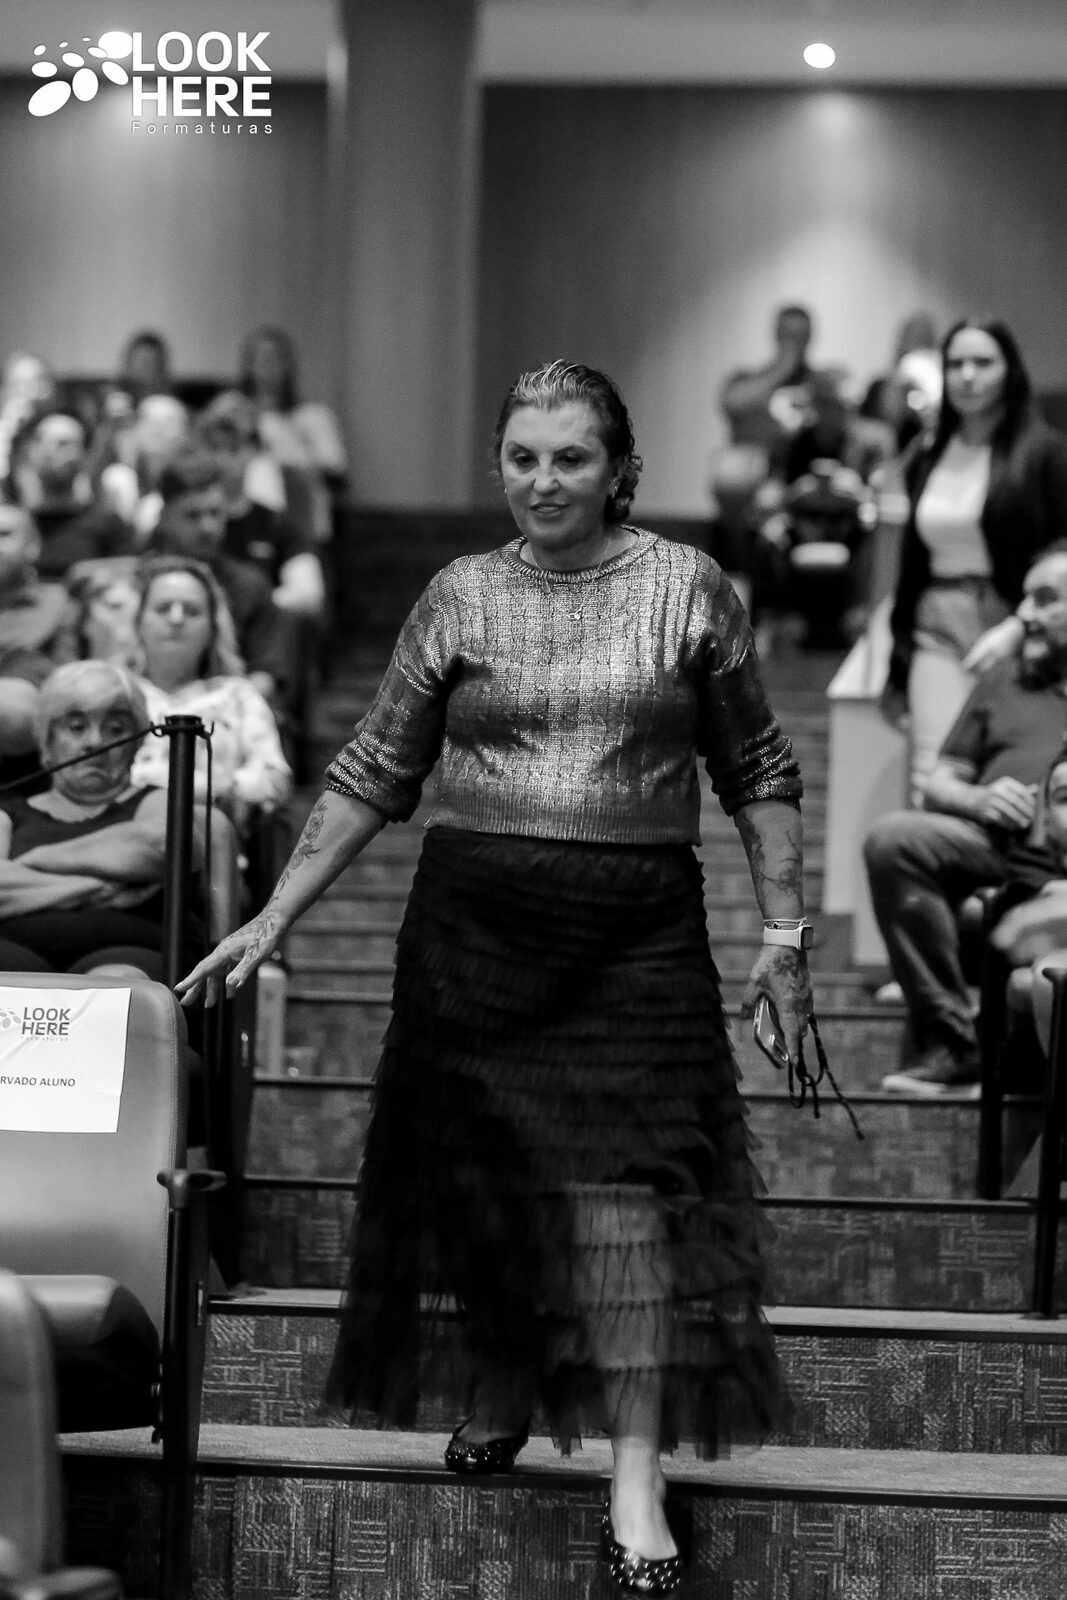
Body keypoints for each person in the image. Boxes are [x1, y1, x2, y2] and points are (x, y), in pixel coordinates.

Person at [178, 361, 810, 1594]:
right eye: (522, 457)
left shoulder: (688, 585)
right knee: (488, 1185)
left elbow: (757, 769)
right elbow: (373, 767)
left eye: (569, 457)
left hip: (634, 939)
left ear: (620, 469)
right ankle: (510, 1377)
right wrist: (272, 912)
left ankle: (634, 1476)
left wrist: (782, 936)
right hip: (471, 935)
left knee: (629, 1203)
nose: (542, 480)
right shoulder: (458, 592)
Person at [865, 543, 1067, 1096]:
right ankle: (953, 1040)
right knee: (894, 839)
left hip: (1059, 860)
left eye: (1043, 599)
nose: (1023, 615)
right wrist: (980, 800)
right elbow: (939, 781)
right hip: (996, 845)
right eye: (1024, 598)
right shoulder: (1006, 679)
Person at [882, 317, 1067, 799]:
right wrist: (896, 661)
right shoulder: (929, 453)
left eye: (983, 362)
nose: (967, 375)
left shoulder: (1044, 452)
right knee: (932, 775)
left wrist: (1022, 625)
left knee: (1013, 773)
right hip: (937, 618)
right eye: (956, 363)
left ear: (1011, 371)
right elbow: (912, 563)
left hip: (1014, 618)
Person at [129, 557, 292, 831]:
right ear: (139, 622)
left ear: (212, 628)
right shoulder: (115, 691)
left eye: (192, 611)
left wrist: (212, 792)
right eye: (163, 608)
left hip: (211, 837)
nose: (176, 619)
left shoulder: (237, 696)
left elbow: (274, 778)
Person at [10, 408, 133, 579]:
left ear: (85, 453)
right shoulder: (11, 522)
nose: (48, 450)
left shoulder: (107, 523)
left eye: (63, 443)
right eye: (39, 440)